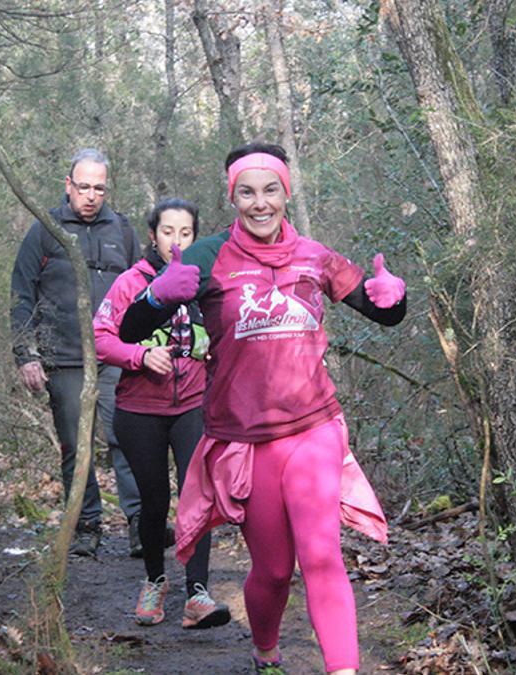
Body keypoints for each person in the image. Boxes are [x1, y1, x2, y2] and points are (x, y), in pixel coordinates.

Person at [118, 143, 406, 674]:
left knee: (322, 557)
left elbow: (379, 310)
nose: (259, 203)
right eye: (246, 192)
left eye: (270, 189)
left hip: (313, 428)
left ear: (285, 193)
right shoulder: (205, 256)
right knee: (273, 571)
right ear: (233, 197)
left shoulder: (315, 256)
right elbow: (128, 330)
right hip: (245, 441)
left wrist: (394, 297)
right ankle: (266, 654)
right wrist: (158, 297)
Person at [93, 198, 231, 629]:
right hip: (139, 411)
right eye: (167, 231)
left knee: (199, 499)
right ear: (152, 235)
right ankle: (154, 581)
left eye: (186, 233)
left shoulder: (203, 282)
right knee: (154, 503)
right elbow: (100, 338)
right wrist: (139, 356)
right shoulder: (131, 282)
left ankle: (197, 593)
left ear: (195, 236)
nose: (176, 240)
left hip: (192, 406)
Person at [10, 148, 143, 557]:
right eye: (83, 187)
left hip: (115, 355)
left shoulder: (122, 230)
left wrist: (144, 348)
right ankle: (85, 527)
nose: (90, 196)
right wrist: (26, 354)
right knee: (75, 442)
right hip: (63, 357)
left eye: (98, 188)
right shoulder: (45, 229)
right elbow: (21, 294)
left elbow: (144, 291)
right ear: (68, 185)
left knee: (128, 437)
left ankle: (142, 524)